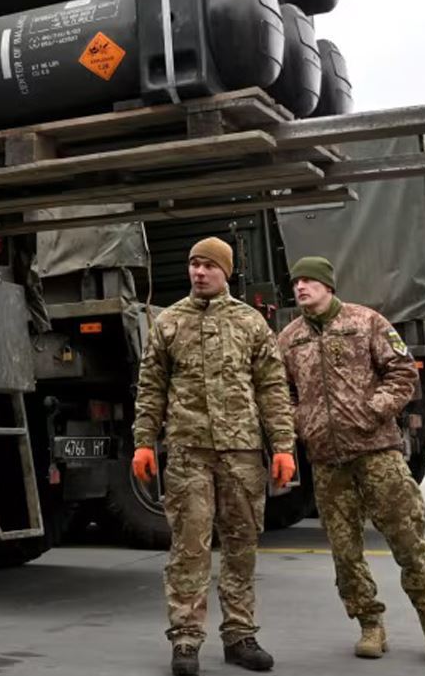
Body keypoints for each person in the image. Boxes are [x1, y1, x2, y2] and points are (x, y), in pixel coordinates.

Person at [276, 256, 425, 664]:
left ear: (328, 286)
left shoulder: (366, 322)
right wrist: (300, 421)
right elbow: (278, 391)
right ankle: (369, 624)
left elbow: (403, 371)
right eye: (296, 282)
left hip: (377, 453)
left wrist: (375, 409)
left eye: (309, 281)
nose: (301, 287)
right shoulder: (288, 338)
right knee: (345, 551)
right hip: (326, 459)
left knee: (407, 539)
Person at [131, 237, 296, 675]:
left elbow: (273, 388)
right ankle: (185, 640)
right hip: (188, 452)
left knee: (241, 546)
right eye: (193, 265)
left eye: (208, 266)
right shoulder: (168, 323)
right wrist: (143, 441)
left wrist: (283, 447)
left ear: (225, 272)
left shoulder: (250, 323)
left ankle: (240, 636)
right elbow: (150, 389)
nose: (198, 272)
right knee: (189, 548)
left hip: (241, 453)